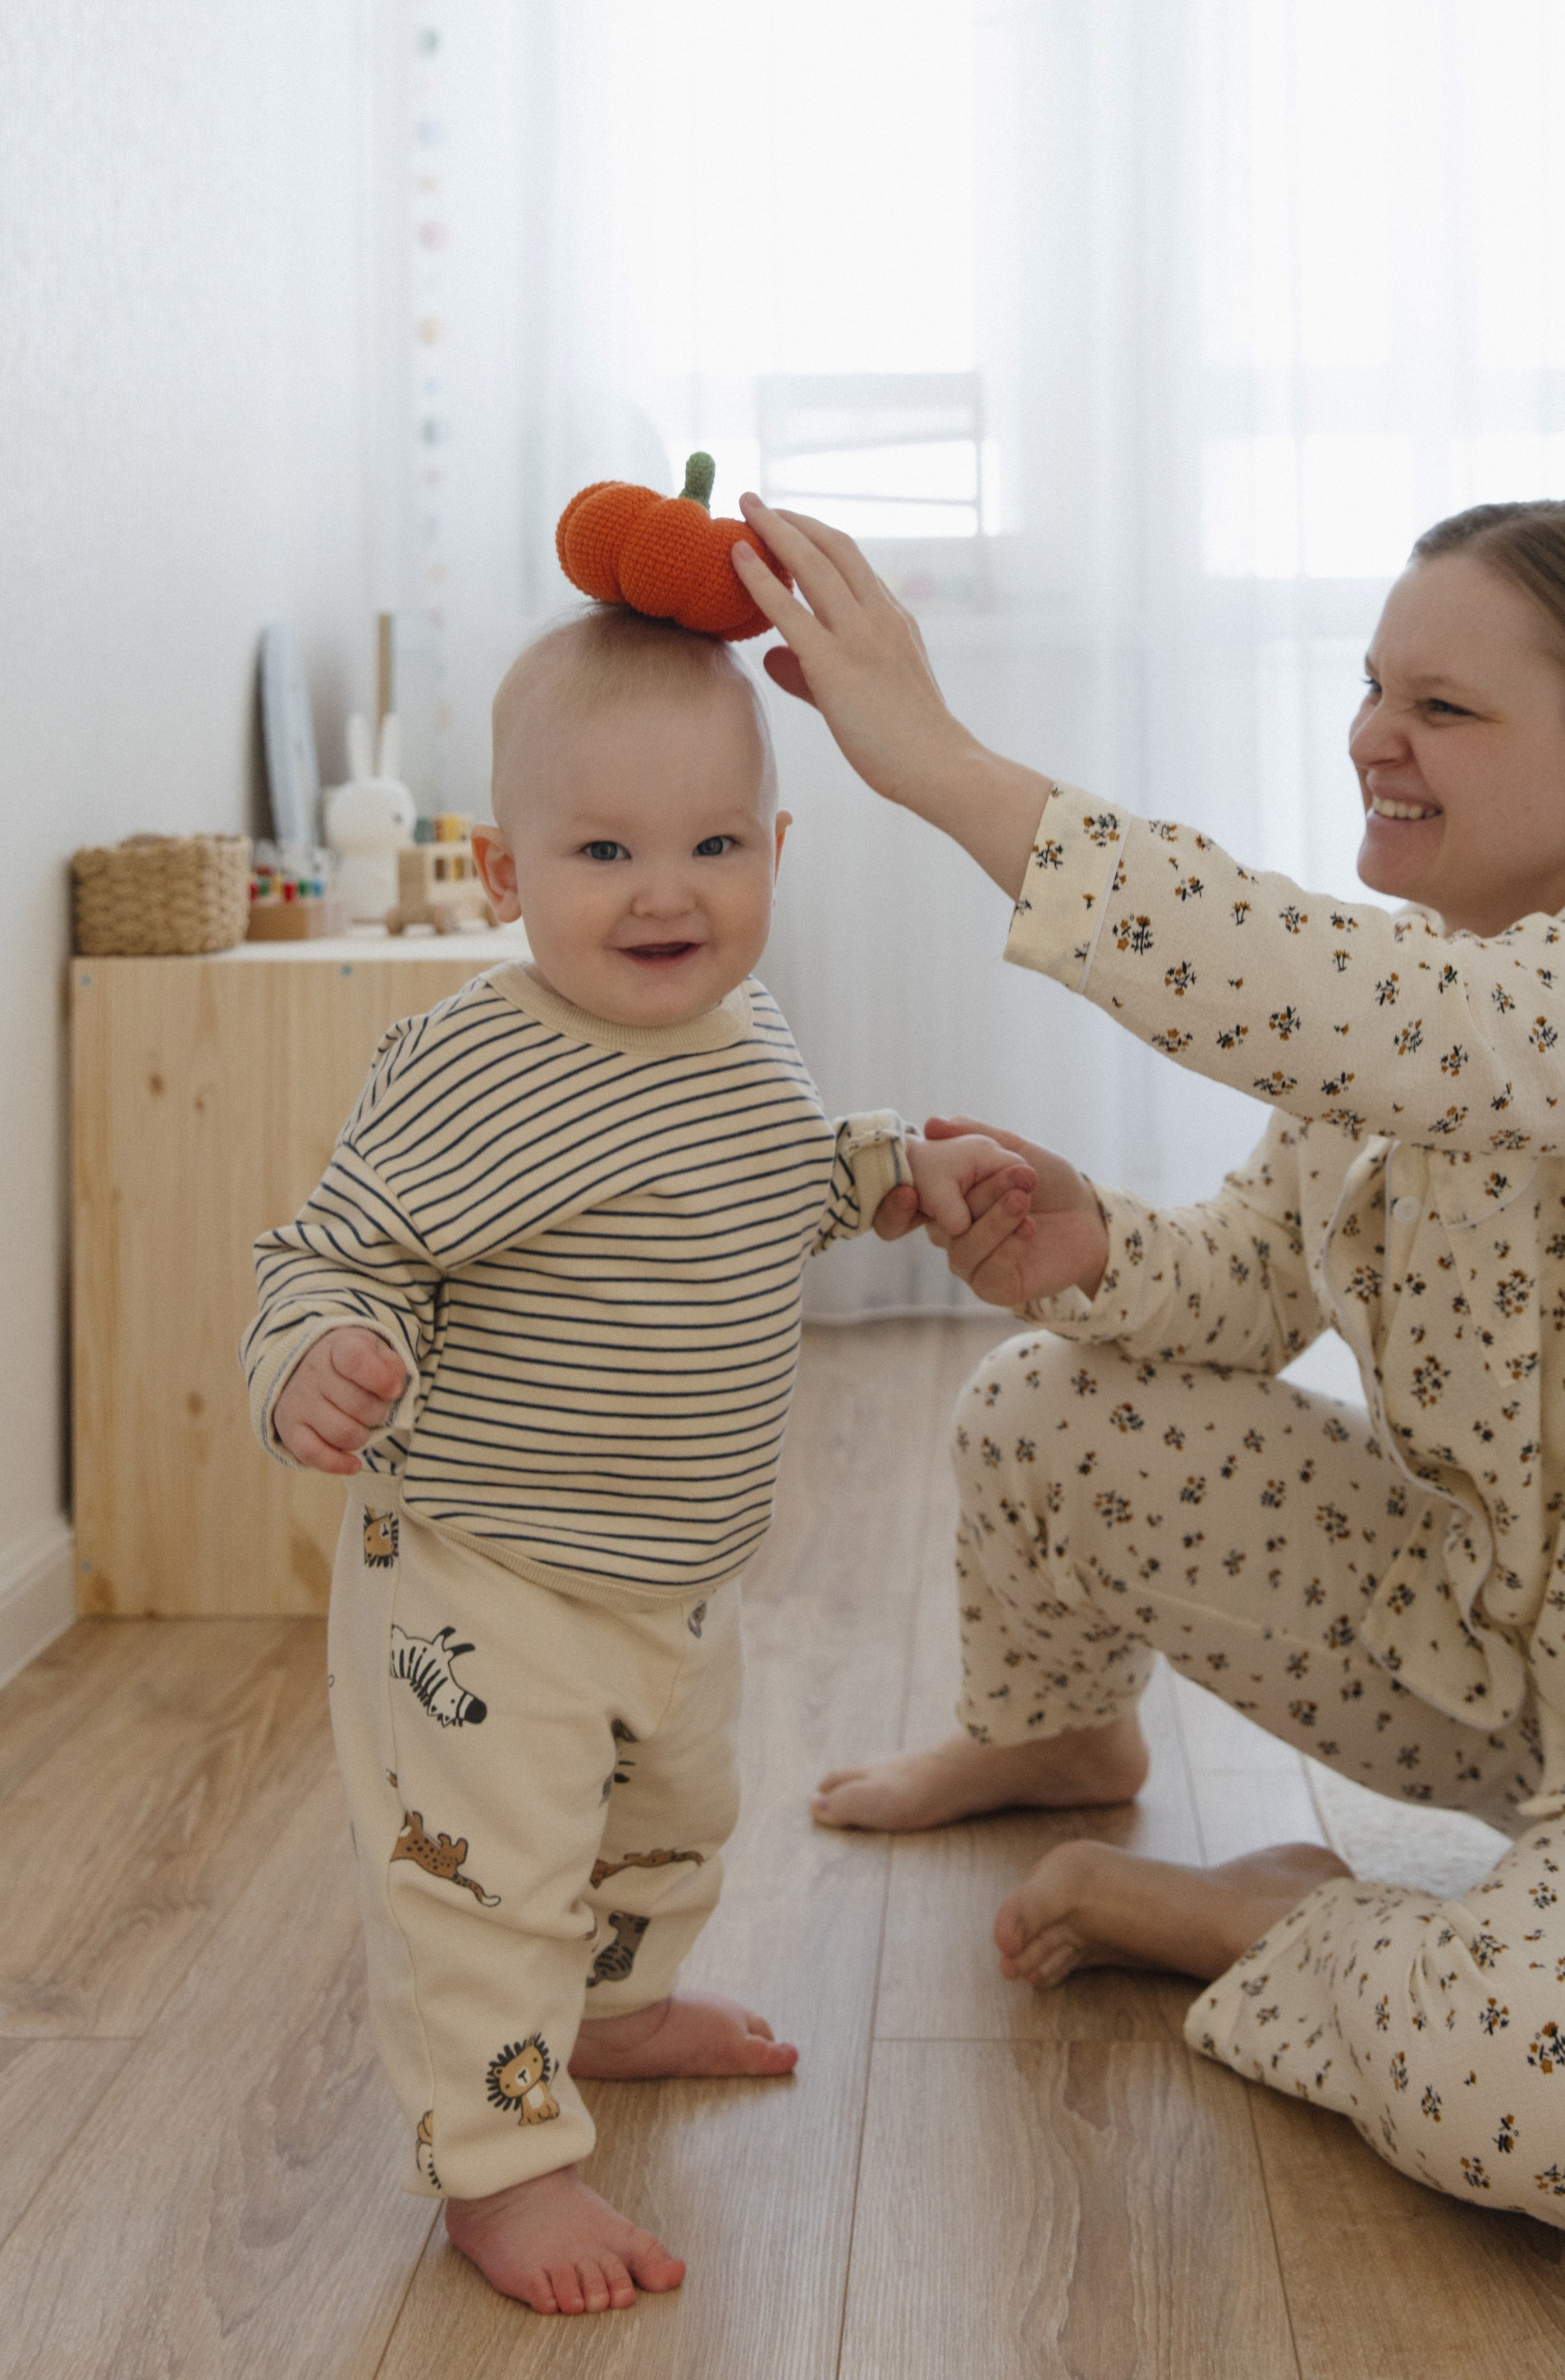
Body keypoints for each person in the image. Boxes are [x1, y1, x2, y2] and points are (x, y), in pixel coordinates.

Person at [727, 491, 1565, 2239]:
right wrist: (1086, 1244)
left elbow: (1411, 1034)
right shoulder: (1418, 991)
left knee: (1544, 2078)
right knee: (1042, 1405)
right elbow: (1237, 1291)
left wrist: (944, 765)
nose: (1371, 739)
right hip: (1497, 1677)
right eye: (1370, 687)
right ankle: (1051, 1737)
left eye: (1443, 708)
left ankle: (1269, 1918)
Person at [240, 608, 1030, 2315]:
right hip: (480, 1579)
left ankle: (611, 2012)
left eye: (712, 845)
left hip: (673, 1575)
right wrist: (311, 1358)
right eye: (603, 849)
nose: (665, 891)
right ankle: (501, 2165)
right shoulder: (473, 1062)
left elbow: (770, 1182)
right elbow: (328, 1249)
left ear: (776, 850)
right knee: (489, 1882)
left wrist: (890, 1162)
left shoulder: (743, 1036)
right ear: (507, 870)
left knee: (667, 1823)